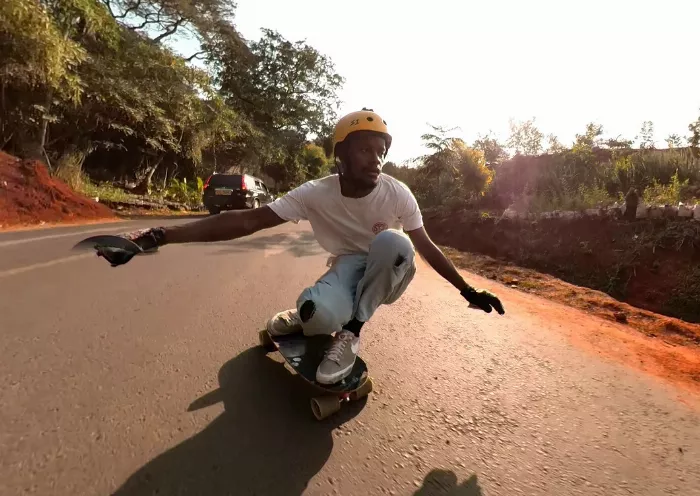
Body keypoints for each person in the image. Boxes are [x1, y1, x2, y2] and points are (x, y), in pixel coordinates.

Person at [93, 108, 505, 385]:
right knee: (317, 315)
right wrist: (160, 236)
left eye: (381, 151)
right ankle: (305, 317)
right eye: (365, 149)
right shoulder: (315, 193)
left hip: (389, 269)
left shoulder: (398, 194)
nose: (376, 158)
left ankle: (353, 333)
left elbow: (425, 247)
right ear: (341, 154)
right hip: (347, 265)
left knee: (392, 242)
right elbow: (248, 220)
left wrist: (468, 290)